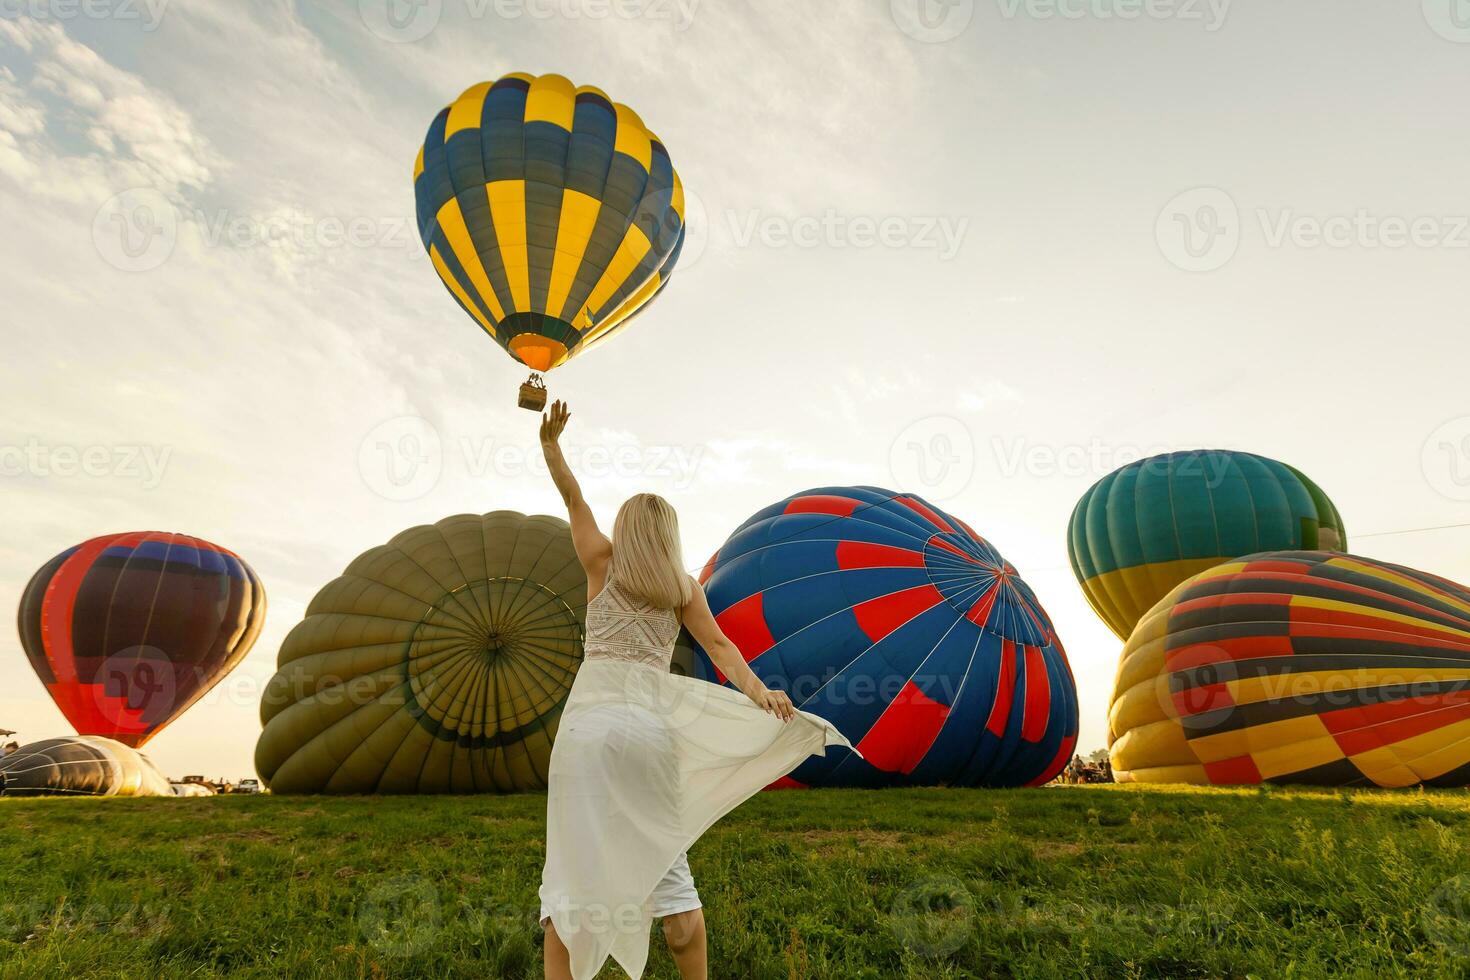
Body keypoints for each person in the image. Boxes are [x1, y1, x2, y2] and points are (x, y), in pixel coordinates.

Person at [536, 401, 851, 980]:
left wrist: (552, 447)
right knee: (671, 878)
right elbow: (723, 648)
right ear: (669, 537)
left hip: (588, 733)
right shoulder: (682, 588)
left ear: (626, 530)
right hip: (651, 736)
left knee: (569, 881)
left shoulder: (600, 562)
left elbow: (573, 500)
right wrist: (763, 696)